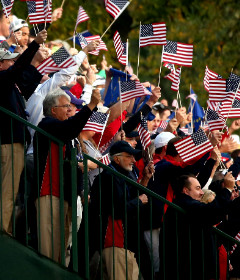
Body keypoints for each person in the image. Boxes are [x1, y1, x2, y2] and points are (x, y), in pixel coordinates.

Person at [0, 32, 47, 235]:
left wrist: (36, 60)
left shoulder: (6, 85)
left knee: (10, 190)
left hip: (13, 143)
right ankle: (1, 230)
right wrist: (34, 45)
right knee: (8, 190)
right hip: (8, 142)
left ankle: (5, 228)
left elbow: (24, 79)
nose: (13, 64)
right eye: (9, 61)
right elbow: (18, 70)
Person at [34, 86, 101, 263]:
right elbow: (70, 128)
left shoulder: (65, 133)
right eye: (66, 106)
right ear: (53, 110)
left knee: (62, 248)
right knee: (48, 248)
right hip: (48, 192)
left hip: (63, 194)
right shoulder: (47, 124)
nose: (70, 109)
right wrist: (92, 105)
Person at [88, 141, 154, 280]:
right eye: (129, 156)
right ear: (117, 158)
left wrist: (145, 180)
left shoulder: (119, 176)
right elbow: (118, 209)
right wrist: (139, 201)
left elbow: (128, 197)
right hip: (114, 240)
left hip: (124, 242)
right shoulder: (109, 176)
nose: (134, 160)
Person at [161, 174, 234, 280]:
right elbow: (213, 213)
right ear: (186, 190)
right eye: (197, 188)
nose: (202, 192)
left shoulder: (185, 204)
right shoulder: (185, 204)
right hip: (188, 270)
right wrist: (227, 189)